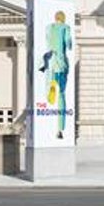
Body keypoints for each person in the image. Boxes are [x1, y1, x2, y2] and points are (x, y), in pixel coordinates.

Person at [40, 10, 72, 139]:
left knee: (50, 87)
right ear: (63, 18)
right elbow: (68, 44)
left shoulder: (48, 28)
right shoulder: (65, 27)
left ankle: (50, 94)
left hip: (50, 63)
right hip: (61, 63)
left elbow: (48, 42)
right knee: (62, 95)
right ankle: (60, 129)